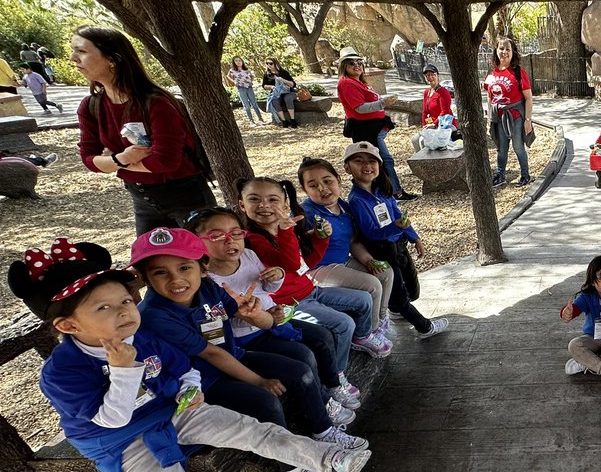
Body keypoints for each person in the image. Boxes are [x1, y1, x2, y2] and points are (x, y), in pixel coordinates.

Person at [6, 238, 371, 472]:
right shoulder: (61, 372)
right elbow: (111, 419)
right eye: (103, 307)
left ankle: (327, 458)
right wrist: (123, 371)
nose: (124, 312)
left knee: (251, 429)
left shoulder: (140, 335)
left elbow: (182, 368)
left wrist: (190, 389)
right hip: (123, 442)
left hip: (171, 409)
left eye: (126, 301)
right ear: (69, 325)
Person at [134, 226, 357, 445]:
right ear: (145, 278)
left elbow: (257, 319)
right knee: (266, 402)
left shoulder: (207, 287)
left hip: (232, 355)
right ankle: (289, 458)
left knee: (301, 371)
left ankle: (323, 429)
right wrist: (258, 380)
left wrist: (259, 315)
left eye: (184, 268)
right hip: (200, 379)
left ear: (203, 268)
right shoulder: (155, 314)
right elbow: (210, 353)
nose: (175, 279)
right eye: (160, 272)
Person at [186, 207, 363, 421]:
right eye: (216, 236)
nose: (230, 240)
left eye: (236, 233)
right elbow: (220, 324)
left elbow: (269, 288)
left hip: (275, 320)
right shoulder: (206, 280)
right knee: (303, 355)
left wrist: (277, 276)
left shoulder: (248, 255)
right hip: (248, 336)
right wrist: (260, 315)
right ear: (196, 242)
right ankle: (323, 403)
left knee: (322, 336)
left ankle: (333, 385)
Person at [72, 26, 216, 234]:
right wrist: (123, 158)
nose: (74, 58)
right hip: (142, 200)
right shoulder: (90, 106)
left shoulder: (156, 103)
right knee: (147, 255)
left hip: (186, 197)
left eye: (81, 51)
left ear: (112, 59)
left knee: (204, 252)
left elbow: (165, 161)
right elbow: (88, 159)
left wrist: (112, 163)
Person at [238, 176, 388, 362]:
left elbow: (306, 264)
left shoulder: (284, 232)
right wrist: (286, 232)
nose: (264, 205)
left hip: (310, 290)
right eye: (254, 199)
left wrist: (320, 237)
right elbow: (291, 264)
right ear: (242, 205)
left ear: (285, 205)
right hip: (289, 304)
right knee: (344, 323)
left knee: (364, 299)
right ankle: (338, 371)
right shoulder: (253, 240)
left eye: (272, 199)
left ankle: (362, 337)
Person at [343, 141, 448, 340]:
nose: (367, 165)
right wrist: (396, 227)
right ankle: (424, 327)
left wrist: (414, 237)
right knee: (400, 293)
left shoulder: (382, 190)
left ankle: (396, 308)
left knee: (412, 289)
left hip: (398, 246)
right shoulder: (357, 200)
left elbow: (399, 215)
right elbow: (370, 233)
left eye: (372, 161)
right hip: (381, 250)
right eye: (359, 161)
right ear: (347, 168)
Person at [298, 156, 394, 342]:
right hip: (319, 268)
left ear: (338, 180)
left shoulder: (344, 207)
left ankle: (382, 319)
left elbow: (353, 241)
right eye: (313, 185)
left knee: (385, 272)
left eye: (327, 181)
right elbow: (296, 243)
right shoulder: (305, 213)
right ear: (305, 190)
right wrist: (313, 234)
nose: (322, 188)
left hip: (343, 261)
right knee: (372, 285)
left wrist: (368, 261)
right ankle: (368, 333)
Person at [336, 47, 417, 200]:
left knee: (380, 160)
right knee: (382, 160)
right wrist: (382, 103)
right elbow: (360, 108)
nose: (357, 65)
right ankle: (393, 191)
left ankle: (389, 191)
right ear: (344, 66)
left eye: (359, 62)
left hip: (373, 127)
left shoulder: (358, 82)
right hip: (365, 129)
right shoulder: (347, 83)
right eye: (351, 63)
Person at [485, 35, 534, 187]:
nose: (504, 52)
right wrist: (490, 118)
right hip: (499, 117)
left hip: (516, 116)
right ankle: (500, 175)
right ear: (496, 51)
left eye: (508, 49)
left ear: (513, 53)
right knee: (501, 148)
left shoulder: (518, 72)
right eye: (501, 48)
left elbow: (528, 98)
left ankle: (525, 175)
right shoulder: (492, 74)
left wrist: (527, 120)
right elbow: (489, 97)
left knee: (518, 147)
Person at [420, 62, 458, 138]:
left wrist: (434, 124)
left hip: (445, 126)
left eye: (432, 74)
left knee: (422, 141)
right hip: (432, 125)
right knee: (416, 139)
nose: (430, 77)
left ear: (438, 75)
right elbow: (425, 111)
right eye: (427, 75)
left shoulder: (443, 92)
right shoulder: (426, 92)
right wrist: (424, 125)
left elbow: (445, 112)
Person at [227, 56, 265, 125]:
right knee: (246, 106)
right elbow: (228, 76)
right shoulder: (232, 70)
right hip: (241, 88)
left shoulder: (246, 70)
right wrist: (234, 81)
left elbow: (252, 76)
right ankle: (251, 121)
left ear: (242, 61)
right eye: (236, 61)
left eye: (239, 60)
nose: (238, 62)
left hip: (249, 88)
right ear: (234, 62)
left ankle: (260, 119)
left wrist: (251, 81)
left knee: (254, 104)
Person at [261, 57, 298, 128]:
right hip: (276, 93)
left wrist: (283, 80)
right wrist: (271, 87)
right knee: (274, 101)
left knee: (288, 99)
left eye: (271, 63)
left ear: (275, 63)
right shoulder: (266, 74)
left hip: (289, 92)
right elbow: (264, 85)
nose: (269, 65)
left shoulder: (284, 72)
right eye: (267, 63)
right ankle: (284, 121)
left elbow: (293, 84)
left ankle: (293, 120)